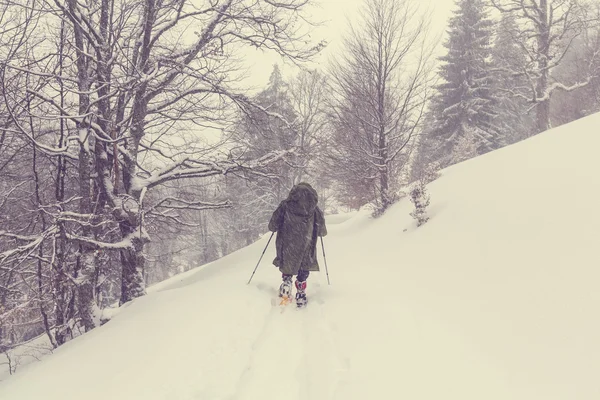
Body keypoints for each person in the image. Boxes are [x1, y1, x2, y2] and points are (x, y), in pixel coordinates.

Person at [268, 182, 327, 307]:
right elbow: (322, 231)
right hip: (307, 242)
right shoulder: (314, 209)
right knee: (304, 264)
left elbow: (273, 225)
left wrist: (276, 226)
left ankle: (287, 282)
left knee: (288, 261)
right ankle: (300, 290)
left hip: (287, 242)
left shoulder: (285, 205)